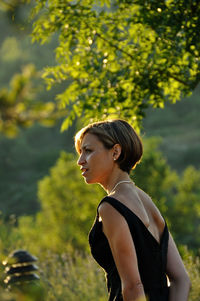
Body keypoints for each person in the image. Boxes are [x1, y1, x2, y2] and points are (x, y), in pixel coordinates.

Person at [75, 119, 190, 301]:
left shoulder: (111, 207)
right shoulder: (146, 201)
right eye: (81, 152)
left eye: (88, 151)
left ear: (115, 152)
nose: (80, 161)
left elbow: (133, 286)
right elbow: (181, 280)